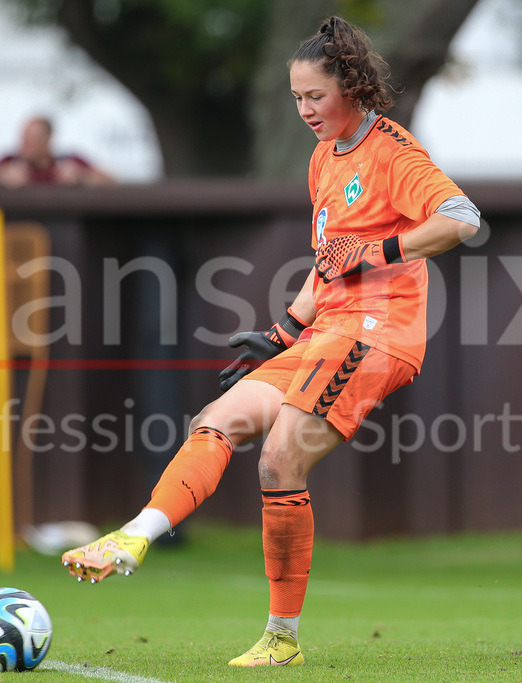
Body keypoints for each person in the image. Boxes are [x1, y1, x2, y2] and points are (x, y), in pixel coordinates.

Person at [61, 16, 481, 667]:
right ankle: (134, 537)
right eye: (295, 98)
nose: (305, 110)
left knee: (278, 458)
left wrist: (378, 249)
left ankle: (281, 636)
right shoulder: (323, 159)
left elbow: (460, 218)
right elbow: (330, 262)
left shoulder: (393, 151)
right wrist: (283, 330)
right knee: (216, 420)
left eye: (315, 95)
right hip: (326, 332)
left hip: (378, 334)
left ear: (352, 85)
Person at [0, 116, 115, 187]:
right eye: (24, 138)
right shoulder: (9, 162)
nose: (25, 145)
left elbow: (111, 181)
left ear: (47, 139)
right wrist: (0, 177)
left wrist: (81, 176)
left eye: (32, 139)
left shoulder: (69, 161)